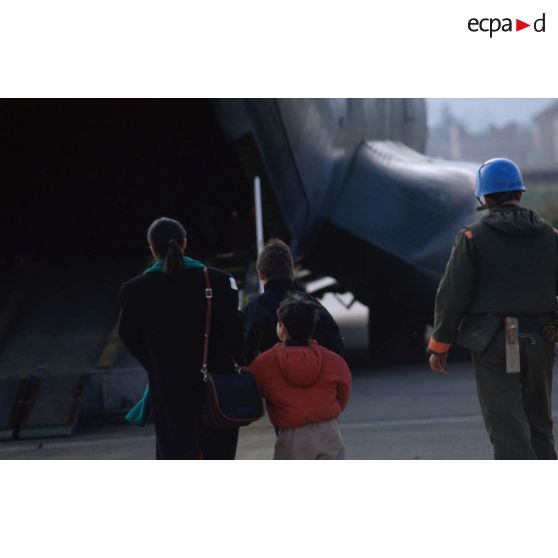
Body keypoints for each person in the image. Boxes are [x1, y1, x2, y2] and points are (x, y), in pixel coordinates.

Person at [427, 158, 558, 459]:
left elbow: (451, 296)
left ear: (484, 197)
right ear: (521, 193)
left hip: (493, 343)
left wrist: (439, 345)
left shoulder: (472, 237)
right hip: (540, 339)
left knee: (507, 428)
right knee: (540, 422)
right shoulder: (549, 236)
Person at [119, 217, 243, 459]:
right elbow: (235, 331)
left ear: (152, 250)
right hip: (217, 389)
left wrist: (154, 365)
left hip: (169, 390)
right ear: (185, 244)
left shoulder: (134, 290)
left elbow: (129, 336)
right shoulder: (219, 281)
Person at [250, 293, 352, 459]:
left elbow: (252, 391)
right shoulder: (334, 361)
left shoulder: (265, 363)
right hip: (329, 431)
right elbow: (343, 395)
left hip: (291, 436)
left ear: (282, 328)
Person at [243, 239, 344, 363]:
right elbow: (336, 348)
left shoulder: (253, 310)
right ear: (292, 274)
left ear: (261, 275)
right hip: (313, 377)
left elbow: (244, 355)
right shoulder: (312, 305)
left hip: (269, 380)